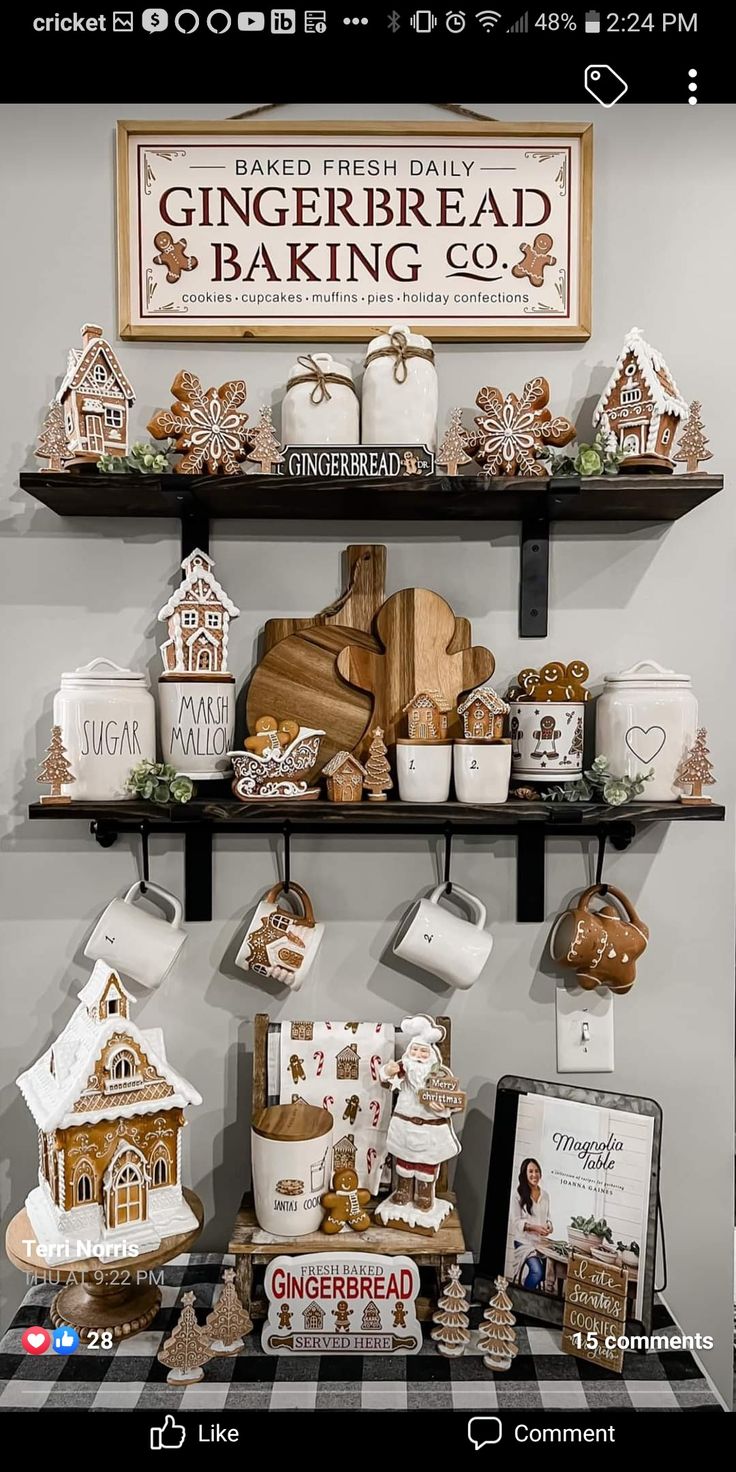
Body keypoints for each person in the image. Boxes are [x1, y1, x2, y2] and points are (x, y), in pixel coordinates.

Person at [375, 1015, 461, 1224]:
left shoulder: (439, 1076)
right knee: (403, 1161)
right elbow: (385, 1079)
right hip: (405, 1124)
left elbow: (454, 1101)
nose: (418, 1055)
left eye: (423, 1052)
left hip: (430, 1128)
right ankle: (403, 1191)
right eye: (414, 1050)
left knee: (426, 1163)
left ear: (431, 1055)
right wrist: (387, 1070)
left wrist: (444, 1108)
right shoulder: (404, 1070)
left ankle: (424, 1195)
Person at [511, 1157, 553, 1291]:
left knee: (547, 1274)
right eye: (530, 1171)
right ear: (525, 1174)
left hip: (541, 1243)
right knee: (537, 1273)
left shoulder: (545, 1195)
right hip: (524, 1242)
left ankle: (527, 1287)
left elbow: (548, 1217)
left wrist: (549, 1226)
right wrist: (535, 1228)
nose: (534, 1175)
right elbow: (516, 1222)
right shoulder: (517, 1195)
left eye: (536, 1171)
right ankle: (523, 1297)